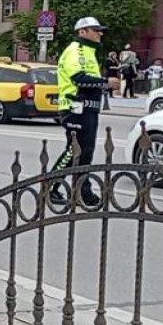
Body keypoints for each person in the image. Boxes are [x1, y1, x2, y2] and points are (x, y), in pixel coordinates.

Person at [51, 17, 110, 207]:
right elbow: (79, 79)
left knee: (84, 153)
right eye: (96, 29)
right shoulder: (76, 51)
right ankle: (52, 187)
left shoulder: (88, 51)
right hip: (76, 108)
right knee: (74, 150)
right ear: (82, 32)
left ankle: (81, 191)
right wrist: (105, 83)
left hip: (87, 108)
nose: (100, 33)